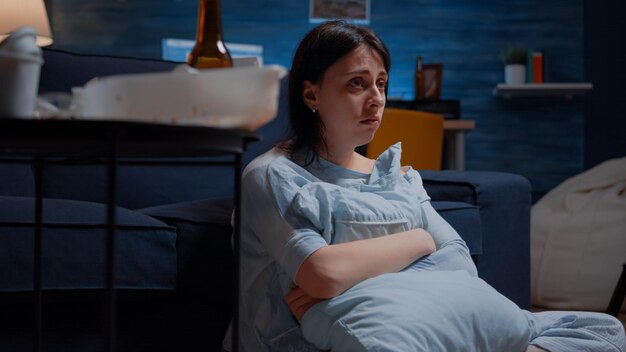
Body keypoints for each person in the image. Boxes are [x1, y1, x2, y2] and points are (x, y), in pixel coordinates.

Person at [223, 20, 626, 352]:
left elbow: (460, 264)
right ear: (311, 93)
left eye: (381, 83)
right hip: (315, 342)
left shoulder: (397, 177)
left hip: (418, 325)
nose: (377, 98)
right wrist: (418, 241)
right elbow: (323, 274)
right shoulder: (273, 175)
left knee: (603, 332)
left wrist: (363, 269)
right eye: (356, 84)